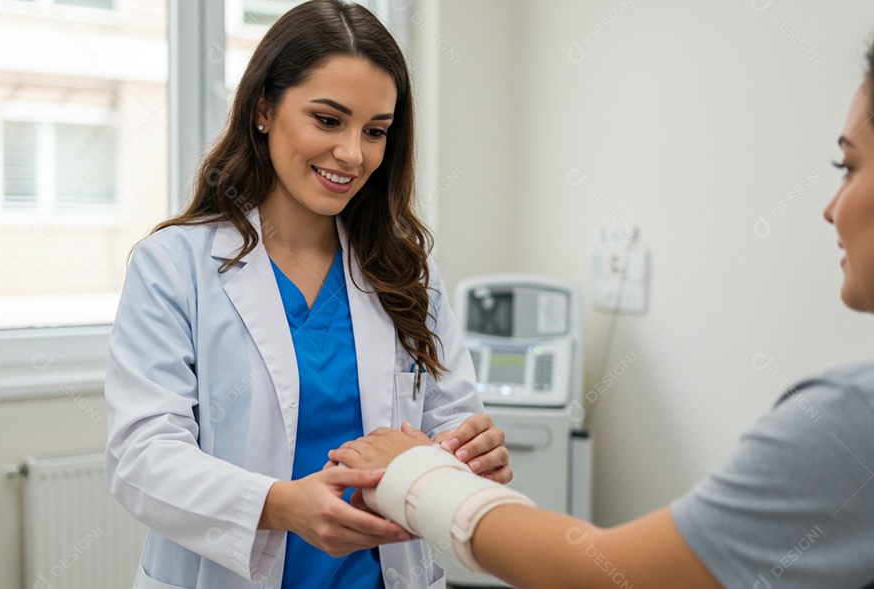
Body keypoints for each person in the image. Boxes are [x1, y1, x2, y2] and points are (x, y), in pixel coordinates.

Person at [330, 42, 874, 589]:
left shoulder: (853, 418)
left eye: (848, 167)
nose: (830, 207)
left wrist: (424, 467)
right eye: (327, 120)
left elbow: (605, 573)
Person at [104, 2, 510, 588]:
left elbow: (449, 424)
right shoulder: (174, 267)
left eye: (375, 131)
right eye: (328, 120)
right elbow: (142, 458)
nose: (354, 153)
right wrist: (283, 505)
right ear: (265, 110)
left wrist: (471, 455)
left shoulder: (404, 270)